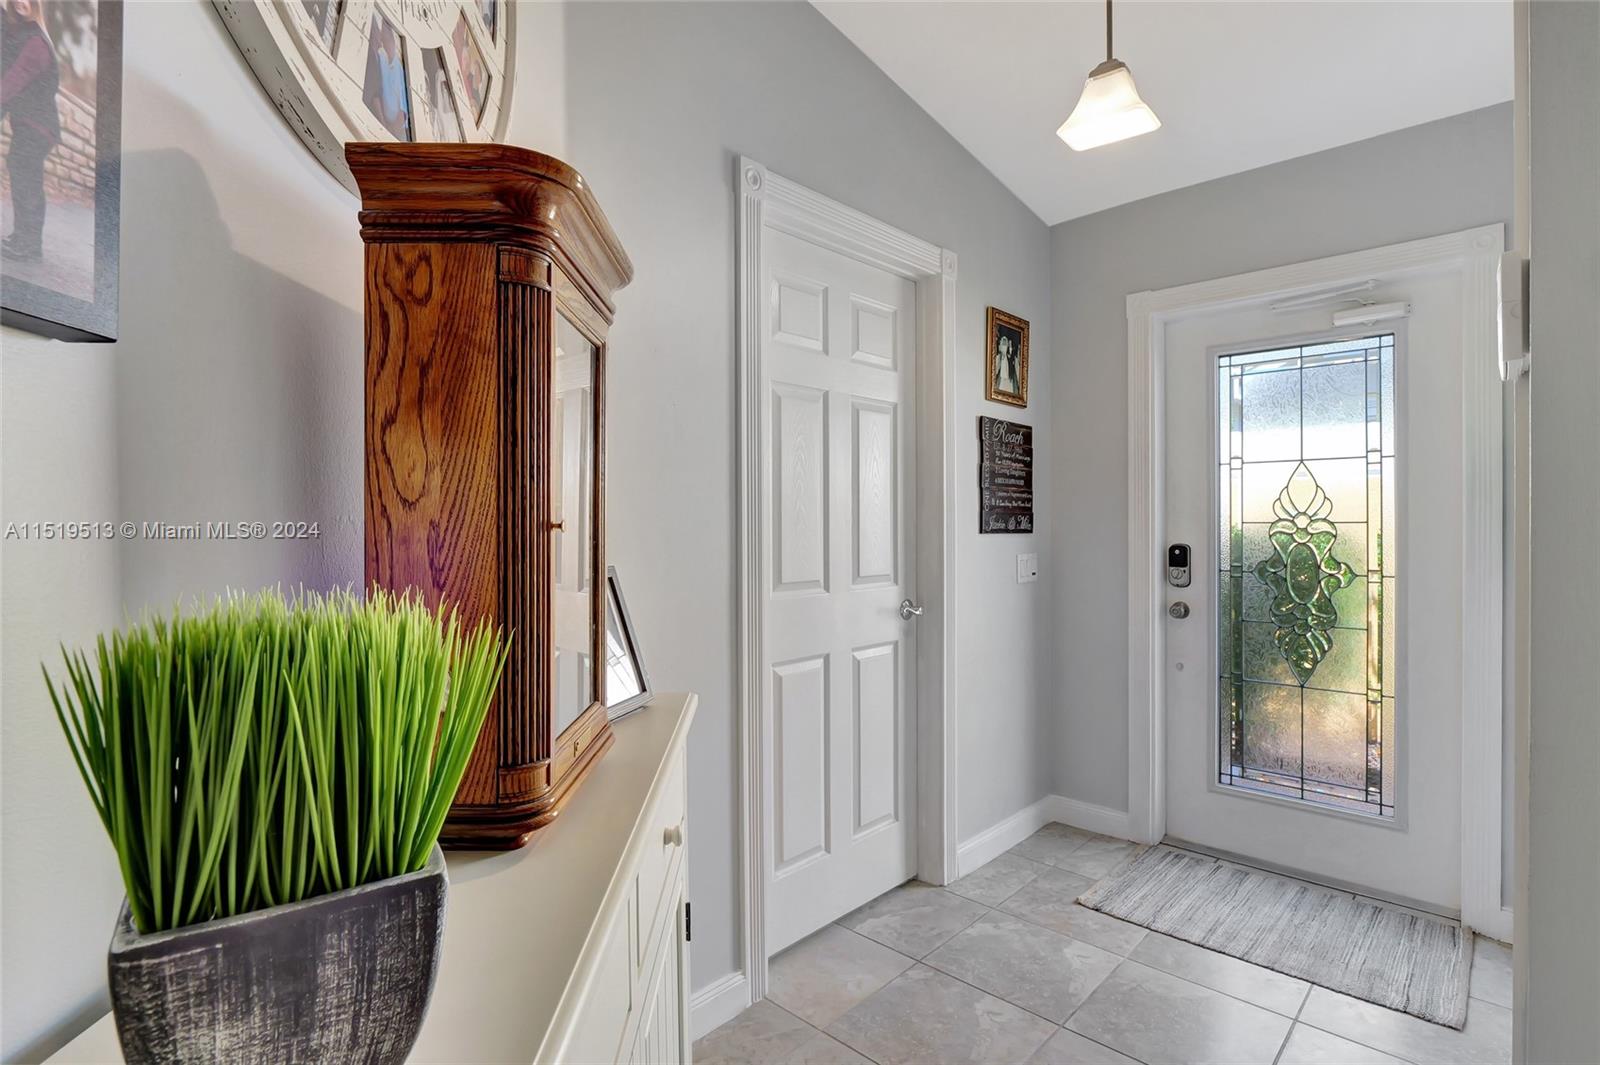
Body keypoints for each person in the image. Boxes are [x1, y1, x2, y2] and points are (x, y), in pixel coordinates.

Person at [1, 0, 61, 261]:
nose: (19, 3)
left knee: (27, 179)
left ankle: (30, 246)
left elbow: (14, 79)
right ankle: (23, 237)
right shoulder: (25, 34)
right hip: (31, 125)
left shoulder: (37, 41)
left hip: (38, 126)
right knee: (21, 174)